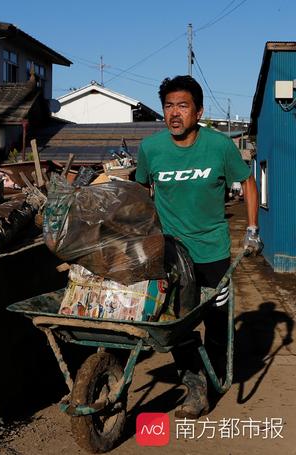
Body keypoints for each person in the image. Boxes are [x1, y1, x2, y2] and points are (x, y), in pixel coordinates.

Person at [135, 75, 262, 418]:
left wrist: (252, 227)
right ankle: (196, 386)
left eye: (183, 106)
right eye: (168, 106)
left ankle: (215, 371)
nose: (174, 113)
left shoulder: (219, 147)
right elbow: (140, 194)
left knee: (218, 322)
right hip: (171, 255)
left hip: (213, 252)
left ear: (199, 111)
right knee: (178, 324)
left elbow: (248, 182)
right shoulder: (151, 150)